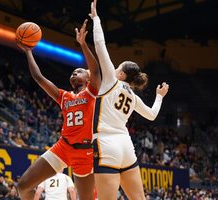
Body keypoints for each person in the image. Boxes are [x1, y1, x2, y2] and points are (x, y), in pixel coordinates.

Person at [89, 1, 169, 199]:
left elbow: (99, 45)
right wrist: (159, 97)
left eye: (118, 67)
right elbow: (151, 115)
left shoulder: (111, 81)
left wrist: (96, 19)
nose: (114, 68)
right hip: (126, 145)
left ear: (122, 74)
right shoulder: (133, 96)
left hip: (106, 143)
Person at [17, 20, 101, 200]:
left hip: (85, 153)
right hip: (63, 147)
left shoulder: (92, 93)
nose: (74, 73)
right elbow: (39, 78)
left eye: (79, 71)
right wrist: (29, 52)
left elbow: (96, 72)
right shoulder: (64, 96)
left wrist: (83, 44)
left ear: (87, 79)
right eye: (73, 72)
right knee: (23, 186)